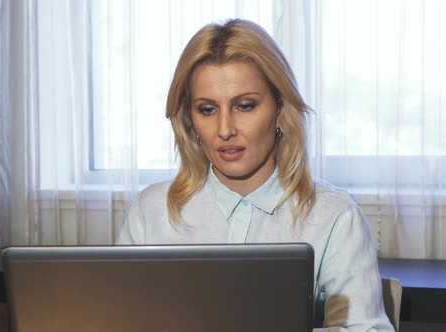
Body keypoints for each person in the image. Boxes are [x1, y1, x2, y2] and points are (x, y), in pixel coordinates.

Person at [116, 18, 394, 331]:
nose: (225, 130)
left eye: (245, 106)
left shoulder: (335, 218)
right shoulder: (149, 212)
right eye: (207, 110)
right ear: (190, 120)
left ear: (279, 109)